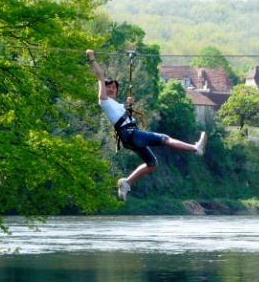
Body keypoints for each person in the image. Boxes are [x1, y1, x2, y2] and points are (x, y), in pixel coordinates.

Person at [86, 49, 207, 201]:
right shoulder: (104, 101)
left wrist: (128, 107)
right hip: (130, 135)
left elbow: (124, 118)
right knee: (165, 138)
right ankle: (196, 148)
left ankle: (126, 182)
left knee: (152, 164)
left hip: (129, 137)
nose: (111, 89)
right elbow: (100, 76)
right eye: (108, 86)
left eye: (114, 87)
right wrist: (92, 58)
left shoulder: (117, 106)